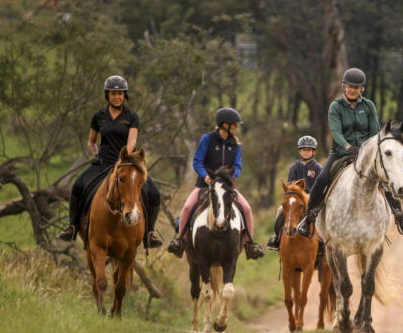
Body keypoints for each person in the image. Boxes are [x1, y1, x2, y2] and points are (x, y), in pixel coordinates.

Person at [295, 67, 403, 238]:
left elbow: (374, 132)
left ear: (361, 89)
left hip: (366, 154)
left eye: (356, 87)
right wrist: (348, 147)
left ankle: (399, 215)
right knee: (322, 177)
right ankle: (309, 217)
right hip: (341, 152)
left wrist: (369, 149)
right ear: (344, 86)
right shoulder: (335, 107)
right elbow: (336, 132)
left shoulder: (369, 106)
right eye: (350, 86)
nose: (353, 90)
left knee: (385, 177)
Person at [57, 75, 163, 248]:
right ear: (107, 95)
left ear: (124, 95)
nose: (117, 97)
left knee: (154, 193)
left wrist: (124, 157)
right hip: (103, 163)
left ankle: (149, 233)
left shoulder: (132, 117)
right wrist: (95, 153)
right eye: (113, 93)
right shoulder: (98, 116)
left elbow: (131, 143)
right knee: (77, 186)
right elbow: (91, 142)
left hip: (126, 165)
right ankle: (72, 227)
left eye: (120, 93)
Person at [166, 107, 265, 259]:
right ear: (224, 124)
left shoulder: (236, 145)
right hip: (205, 186)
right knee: (186, 208)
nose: (236, 127)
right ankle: (181, 241)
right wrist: (205, 175)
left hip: (226, 188)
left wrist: (231, 178)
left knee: (247, 208)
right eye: (234, 124)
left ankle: (250, 244)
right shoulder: (207, 139)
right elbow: (197, 161)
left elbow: (238, 166)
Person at [267, 135, 322, 251]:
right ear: (299, 151)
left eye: (308, 150)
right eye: (303, 150)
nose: (306, 152)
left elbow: (319, 186)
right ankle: (277, 238)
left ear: (313, 152)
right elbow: (290, 186)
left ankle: (324, 239)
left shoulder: (318, 168)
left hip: (313, 199)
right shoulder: (294, 167)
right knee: (280, 210)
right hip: (297, 199)